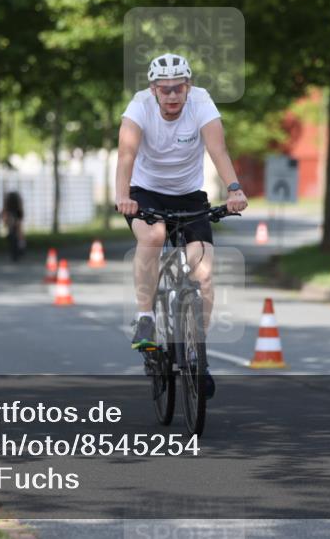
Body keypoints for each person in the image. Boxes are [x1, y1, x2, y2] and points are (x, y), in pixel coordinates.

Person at [115, 53, 248, 399]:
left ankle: (195, 354)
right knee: (154, 235)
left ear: (188, 87)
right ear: (153, 89)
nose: (172, 95)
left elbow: (218, 150)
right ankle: (145, 317)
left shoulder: (201, 102)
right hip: (145, 193)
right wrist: (122, 196)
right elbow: (126, 155)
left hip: (189, 196)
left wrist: (234, 189)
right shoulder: (139, 107)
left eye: (178, 88)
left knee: (204, 274)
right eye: (165, 89)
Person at [1, 191, 25, 262]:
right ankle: (20, 249)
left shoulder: (9, 200)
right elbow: (20, 211)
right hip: (15, 217)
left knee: (14, 235)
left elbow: (5, 211)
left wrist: (5, 222)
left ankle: (17, 251)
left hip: (12, 218)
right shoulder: (16, 199)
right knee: (18, 234)